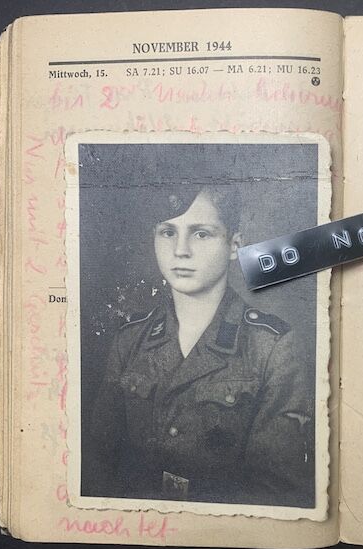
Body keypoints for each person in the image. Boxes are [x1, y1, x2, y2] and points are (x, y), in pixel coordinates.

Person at [85, 185, 315, 508]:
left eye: (201, 234)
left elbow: (276, 492)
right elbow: (99, 467)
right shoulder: (130, 339)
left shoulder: (271, 347)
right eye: (168, 232)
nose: (180, 250)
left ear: (234, 245)